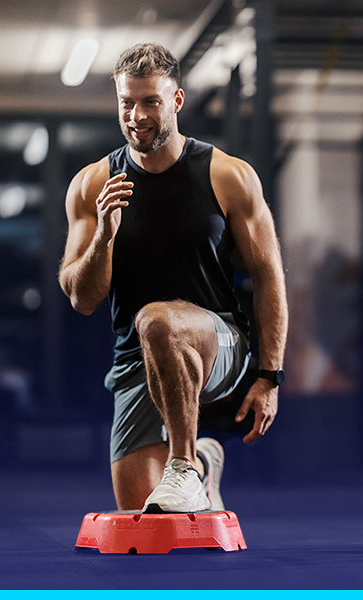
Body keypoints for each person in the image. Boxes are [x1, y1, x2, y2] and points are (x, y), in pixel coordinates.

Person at [58, 43, 287, 513]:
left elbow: (269, 276)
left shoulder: (228, 176)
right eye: (127, 103)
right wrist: (103, 238)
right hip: (136, 361)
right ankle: (202, 461)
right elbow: (82, 298)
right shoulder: (92, 185)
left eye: (150, 102)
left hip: (219, 347)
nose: (136, 116)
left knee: (159, 320)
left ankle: (182, 463)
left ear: (177, 101)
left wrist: (271, 376)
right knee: (146, 519)